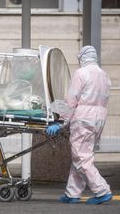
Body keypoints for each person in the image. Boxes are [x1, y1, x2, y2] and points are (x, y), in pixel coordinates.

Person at [46, 45, 113, 205]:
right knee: (82, 155)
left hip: (83, 118)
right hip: (99, 119)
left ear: (82, 58)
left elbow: (71, 101)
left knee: (81, 157)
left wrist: (60, 121)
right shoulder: (104, 75)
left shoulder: (81, 73)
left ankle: (102, 190)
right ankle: (72, 193)